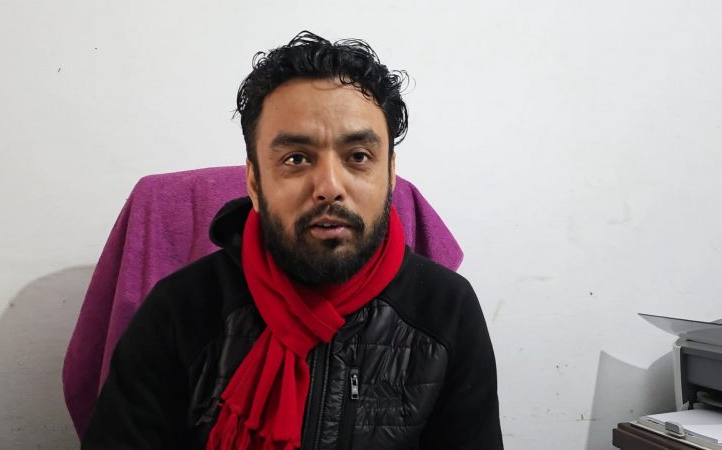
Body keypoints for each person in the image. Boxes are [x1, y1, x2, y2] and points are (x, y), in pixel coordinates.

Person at [82, 31, 503, 450]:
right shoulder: (180, 309)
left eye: (358, 156)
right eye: (296, 158)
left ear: (390, 174)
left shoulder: (447, 310)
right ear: (254, 182)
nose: (329, 187)